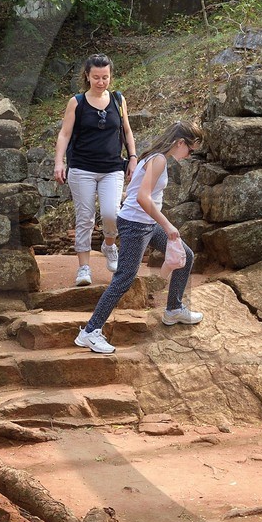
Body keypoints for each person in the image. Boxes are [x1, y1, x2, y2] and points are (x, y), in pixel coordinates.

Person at [74, 122, 204, 353]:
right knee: (124, 278)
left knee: (187, 255)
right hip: (136, 225)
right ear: (180, 142)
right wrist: (168, 225)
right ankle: (90, 332)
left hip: (147, 224)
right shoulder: (159, 160)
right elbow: (144, 198)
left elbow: (136, 193)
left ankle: (173, 308)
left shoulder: (154, 157)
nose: (189, 154)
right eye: (191, 149)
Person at [53, 54, 137, 287]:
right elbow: (64, 134)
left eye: (105, 77)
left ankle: (109, 245)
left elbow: (127, 132)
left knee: (112, 213)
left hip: (112, 167)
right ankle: (83, 268)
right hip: (82, 168)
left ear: (111, 76)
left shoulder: (119, 101)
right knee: (85, 218)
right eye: (96, 77)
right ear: (87, 77)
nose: (101, 82)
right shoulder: (77, 102)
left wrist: (132, 157)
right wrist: (59, 162)